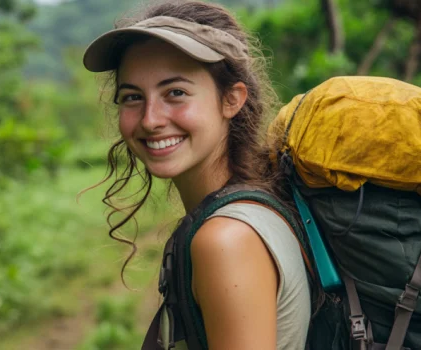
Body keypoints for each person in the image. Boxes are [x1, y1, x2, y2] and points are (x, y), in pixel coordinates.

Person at [82, 1, 311, 349]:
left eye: (175, 93)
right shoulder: (254, 206)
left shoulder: (225, 240)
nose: (150, 119)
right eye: (132, 97)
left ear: (231, 100)